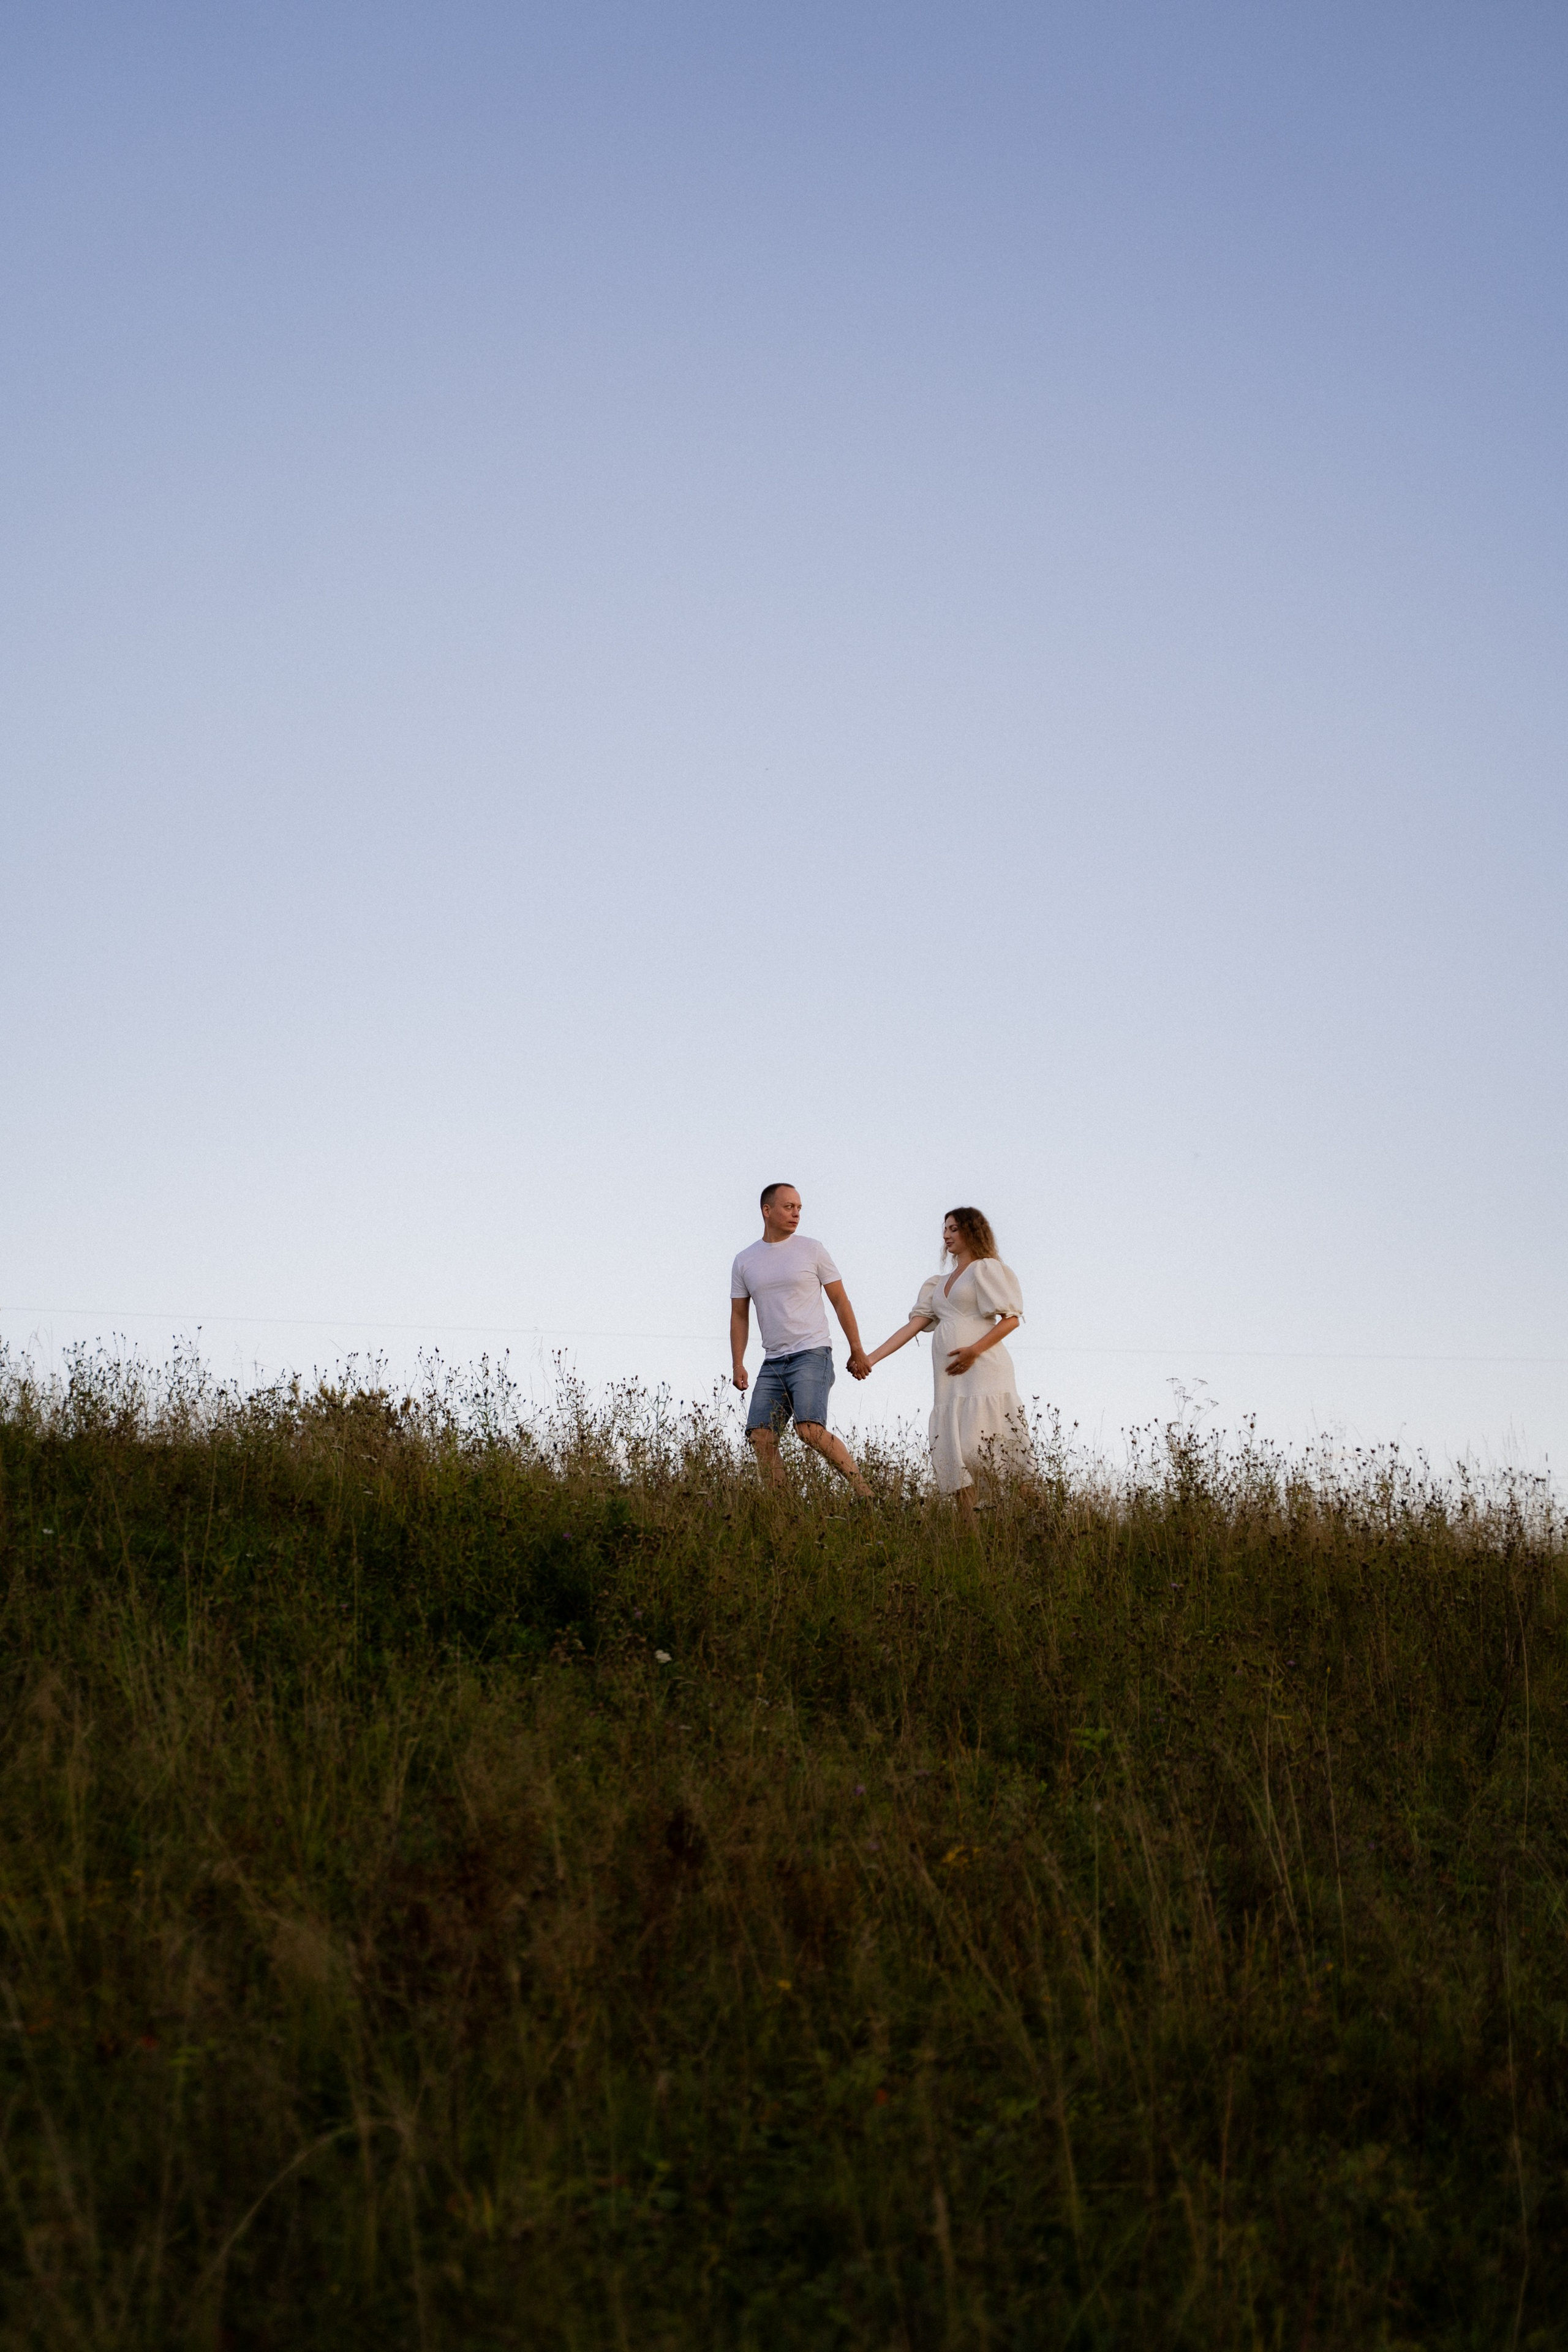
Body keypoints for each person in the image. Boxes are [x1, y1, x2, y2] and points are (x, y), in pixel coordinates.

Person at [864, 1207, 1030, 1513]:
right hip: (950, 1376)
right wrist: (870, 1358)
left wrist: (973, 1351)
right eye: (945, 1229)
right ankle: (969, 1534)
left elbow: (1011, 1320)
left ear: (971, 1231)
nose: (946, 1235)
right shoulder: (937, 1283)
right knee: (957, 1452)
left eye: (953, 1229)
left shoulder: (985, 1269)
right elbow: (913, 1326)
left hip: (985, 1367)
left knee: (992, 1447)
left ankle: (1036, 1514)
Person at [731, 1183, 872, 1496]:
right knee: (760, 1437)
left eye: (799, 1208)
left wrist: (857, 1349)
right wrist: (738, 1362)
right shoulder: (745, 1260)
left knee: (809, 1430)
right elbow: (739, 1315)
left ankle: (866, 1494)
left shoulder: (812, 1249)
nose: (796, 1214)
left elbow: (840, 1300)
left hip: (812, 1353)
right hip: (773, 1361)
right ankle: (785, 1508)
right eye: (788, 1207)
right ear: (767, 1210)